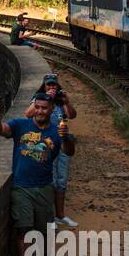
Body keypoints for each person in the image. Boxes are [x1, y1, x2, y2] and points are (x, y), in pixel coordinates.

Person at [0, 92, 75, 256]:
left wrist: (67, 138)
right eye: (37, 107)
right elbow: (0, 130)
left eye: (44, 108)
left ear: (51, 110)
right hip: (21, 187)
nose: (39, 111)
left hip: (45, 187)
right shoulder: (20, 124)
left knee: (45, 231)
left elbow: (69, 151)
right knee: (24, 230)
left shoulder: (57, 131)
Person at [26, 75, 79, 229]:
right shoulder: (39, 99)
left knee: (62, 179)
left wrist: (67, 102)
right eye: (49, 86)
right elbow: (28, 114)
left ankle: (60, 215)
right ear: (44, 86)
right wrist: (44, 98)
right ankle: (50, 218)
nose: (52, 88)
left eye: (54, 86)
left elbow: (72, 115)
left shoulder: (61, 100)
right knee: (51, 179)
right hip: (47, 142)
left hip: (62, 140)